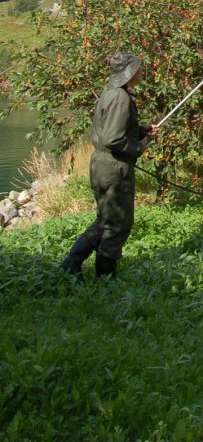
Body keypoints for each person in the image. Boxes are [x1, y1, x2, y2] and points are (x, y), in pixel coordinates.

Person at [59, 51, 155, 279]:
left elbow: (111, 130)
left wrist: (141, 131)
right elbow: (113, 139)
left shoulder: (111, 92)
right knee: (118, 223)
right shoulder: (121, 97)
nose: (142, 71)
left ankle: (70, 266)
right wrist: (140, 147)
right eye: (139, 68)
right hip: (114, 168)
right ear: (130, 72)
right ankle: (105, 277)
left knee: (105, 220)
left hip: (101, 164)